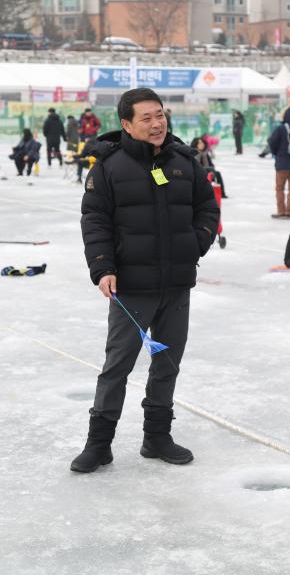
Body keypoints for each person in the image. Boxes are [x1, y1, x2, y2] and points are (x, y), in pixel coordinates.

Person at [70, 87, 219, 474]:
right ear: (126, 124)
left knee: (166, 362)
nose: (156, 124)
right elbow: (95, 221)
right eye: (146, 118)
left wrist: (196, 243)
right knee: (117, 366)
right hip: (131, 287)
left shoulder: (184, 161)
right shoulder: (108, 167)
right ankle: (99, 444)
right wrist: (103, 267)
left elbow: (208, 205)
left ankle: (156, 437)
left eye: (160, 115)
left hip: (176, 284)